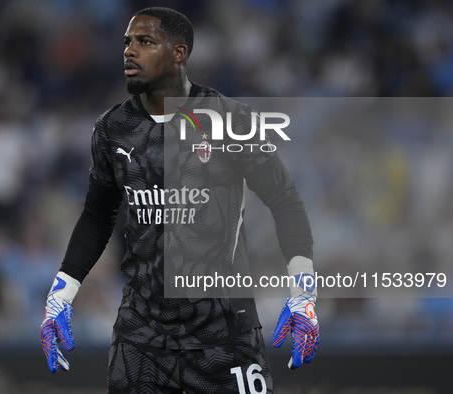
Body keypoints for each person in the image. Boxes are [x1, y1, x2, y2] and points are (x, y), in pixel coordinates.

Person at [40, 7, 319, 393]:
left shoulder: (230, 120)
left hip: (224, 335)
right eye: (127, 42)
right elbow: (97, 216)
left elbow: (285, 201)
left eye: (145, 41)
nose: (130, 51)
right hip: (141, 340)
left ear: (178, 53)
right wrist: (61, 295)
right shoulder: (112, 129)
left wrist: (303, 293)